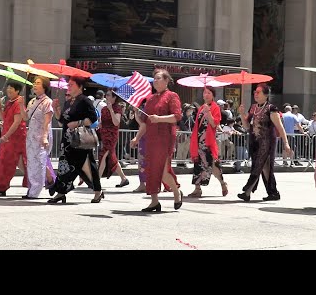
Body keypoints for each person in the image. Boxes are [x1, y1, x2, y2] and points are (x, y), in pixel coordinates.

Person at [130, 68, 182, 212]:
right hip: (151, 139)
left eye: (159, 78)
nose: (155, 80)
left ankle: (177, 193)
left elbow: (177, 116)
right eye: (154, 78)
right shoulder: (150, 99)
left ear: (166, 81)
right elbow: (146, 123)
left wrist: (160, 119)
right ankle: (154, 201)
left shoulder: (172, 96)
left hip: (165, 138)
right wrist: (137, 137)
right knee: (151, 170)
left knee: (164, 171)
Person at [49, 76, 102, 203]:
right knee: (64, 166)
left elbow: (93, 119)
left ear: (80, 86)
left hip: (79, 140)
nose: (69, 87)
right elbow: (62, 122)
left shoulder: (84, 101)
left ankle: (97, 192)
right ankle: (61, 192)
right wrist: (56, 110)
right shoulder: (69, 102)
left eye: (72, 84)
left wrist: (78, 122)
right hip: (67, 141)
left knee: (87, 166)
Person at [237, 83, 291, 202]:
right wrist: (241, 114)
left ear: (266, 95)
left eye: (258, 92)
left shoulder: (271, 109)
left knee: (258, 165)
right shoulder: (253, 108)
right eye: (255, 92)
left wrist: (286, 143)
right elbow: (247, 126)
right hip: (254, 141)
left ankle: (247, 191)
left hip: (267, 141)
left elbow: (280, 127)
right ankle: (273, 192)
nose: (255, 94)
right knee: (264, 168)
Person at [19, 76, 56, 199]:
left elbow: (47, 122)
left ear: (44, 86)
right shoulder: (32, 101)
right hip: (31, 136)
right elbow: (25, 117)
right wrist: (20, 105)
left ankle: (35, 190)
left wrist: (44, 137)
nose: (35, 85)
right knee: (32, 163)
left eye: (38, 83)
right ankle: (49, 180)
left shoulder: (47, 102)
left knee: (39, 162)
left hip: (41, 136)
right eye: (34, 83)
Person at [0, 81, 28, 197]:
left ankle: (40, 180)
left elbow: (17, 122)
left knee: (15, 163)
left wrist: (6, 136)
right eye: (8, 88)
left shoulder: (18, 103)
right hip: (7, 137)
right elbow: (4, 118)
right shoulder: (9, 103)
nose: (9, 90)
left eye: (12, 88)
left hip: (16, 138)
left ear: (17, 91)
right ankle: (1, 187)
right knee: (3, 162)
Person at [188, 86, 228, 197]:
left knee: (213, 165)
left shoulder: (215, 108)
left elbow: (214, 124)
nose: (206, 95)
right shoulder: (201, 108)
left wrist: (208, 112)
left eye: (209, 93)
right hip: (198, 141)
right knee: (197, 164)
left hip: (208, 141)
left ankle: (222, 183)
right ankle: (197, 188)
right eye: (204, 93)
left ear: (213, 95)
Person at [98, 88, 129, 187]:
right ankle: (123, 178)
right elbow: (103, 123)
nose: (106, 97)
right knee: (112, 157)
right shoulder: (103, 109)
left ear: (114, 97)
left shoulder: (117, 108)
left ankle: (96, 181)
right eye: (106, 95)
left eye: (108, 95)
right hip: (104, 134)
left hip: (112, 136)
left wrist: (111, 109)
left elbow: (116, 122)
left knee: (103, 155)